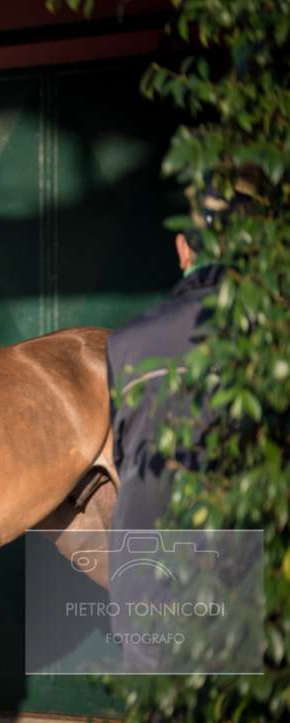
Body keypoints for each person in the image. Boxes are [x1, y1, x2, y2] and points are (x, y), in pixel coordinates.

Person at [107, 201, 225, 671]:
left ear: (182, 249)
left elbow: (123, 450)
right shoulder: (267, 332)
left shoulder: (126, 341)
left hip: (143, 536)